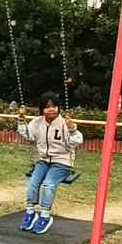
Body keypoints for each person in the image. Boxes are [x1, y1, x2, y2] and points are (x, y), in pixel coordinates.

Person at [17, 91, 82, 234]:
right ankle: (30, 212)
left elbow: (77, 141)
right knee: (33, 183)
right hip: (44, 161)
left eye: (54, 106)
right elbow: (28, 135)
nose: (51, 109)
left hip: (62, 162)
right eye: (47, 107)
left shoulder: (65, 123)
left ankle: (45, 215)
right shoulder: (37, 122)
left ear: (58, 108)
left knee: (48, 184)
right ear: (42, 109)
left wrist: (72, 129)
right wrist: (21, 120)